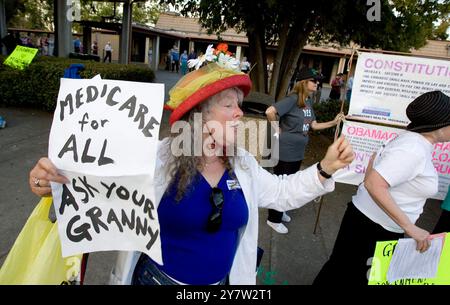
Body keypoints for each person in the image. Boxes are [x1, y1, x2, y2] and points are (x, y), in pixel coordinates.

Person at [28, 54, 354, 285]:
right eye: (229, 105)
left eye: (239, 105)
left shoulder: (243, 163)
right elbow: (99, 186)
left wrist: (324, 170)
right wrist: (54, 181)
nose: (240, 114)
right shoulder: (158, 158)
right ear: (199, 117)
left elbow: (281, 194)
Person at [314, 90, 450, 285]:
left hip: (369, 221)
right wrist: (410, 228)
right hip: (374, 227)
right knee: (345, 275)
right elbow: (373, 183)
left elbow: (372, 164)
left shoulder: (410, 140)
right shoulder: (413, 149)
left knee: (339, 270)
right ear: (439, 124)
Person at [265, 67, 345, 234]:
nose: (317, 83)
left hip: (297, 151)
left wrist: (333, 122)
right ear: (303, 82)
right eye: (314, 81)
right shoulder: (292, 99)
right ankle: (273, 219)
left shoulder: (307, 101)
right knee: (281, 184)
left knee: (291, 182)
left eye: (318, 81)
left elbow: (313, 125)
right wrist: (276, 128)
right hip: (285, 150)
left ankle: (282, 209)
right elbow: (270, 111)